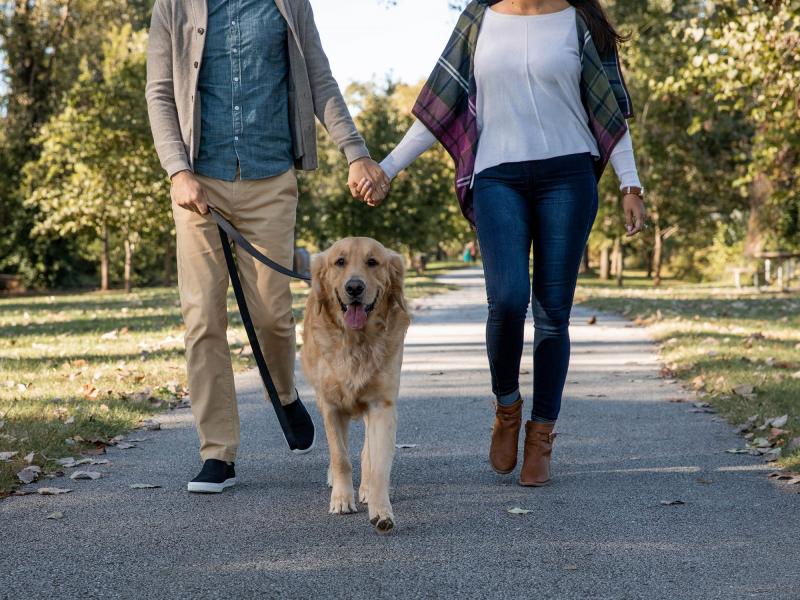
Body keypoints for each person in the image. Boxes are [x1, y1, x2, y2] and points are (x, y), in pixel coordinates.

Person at [358, 0, 646, 487]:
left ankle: (542, 435)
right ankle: (507, 407)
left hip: (569, 175)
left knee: (554, 313)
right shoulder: (479, 18)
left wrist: (630, 185)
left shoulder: (579, 21)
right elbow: (438, 107)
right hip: (497, 176)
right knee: (508, 300)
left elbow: (609, 112)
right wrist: (386, 168)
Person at [146, 0, 389, 493]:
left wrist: (356, 153)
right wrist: (178, 170)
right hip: (198, 185)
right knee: (202, 318)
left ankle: (283, 392)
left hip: (270, 179)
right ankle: (218, 453)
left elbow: (321, 81)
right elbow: (160, 93)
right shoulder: (173, 4)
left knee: (274, 316)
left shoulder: (289, 4)